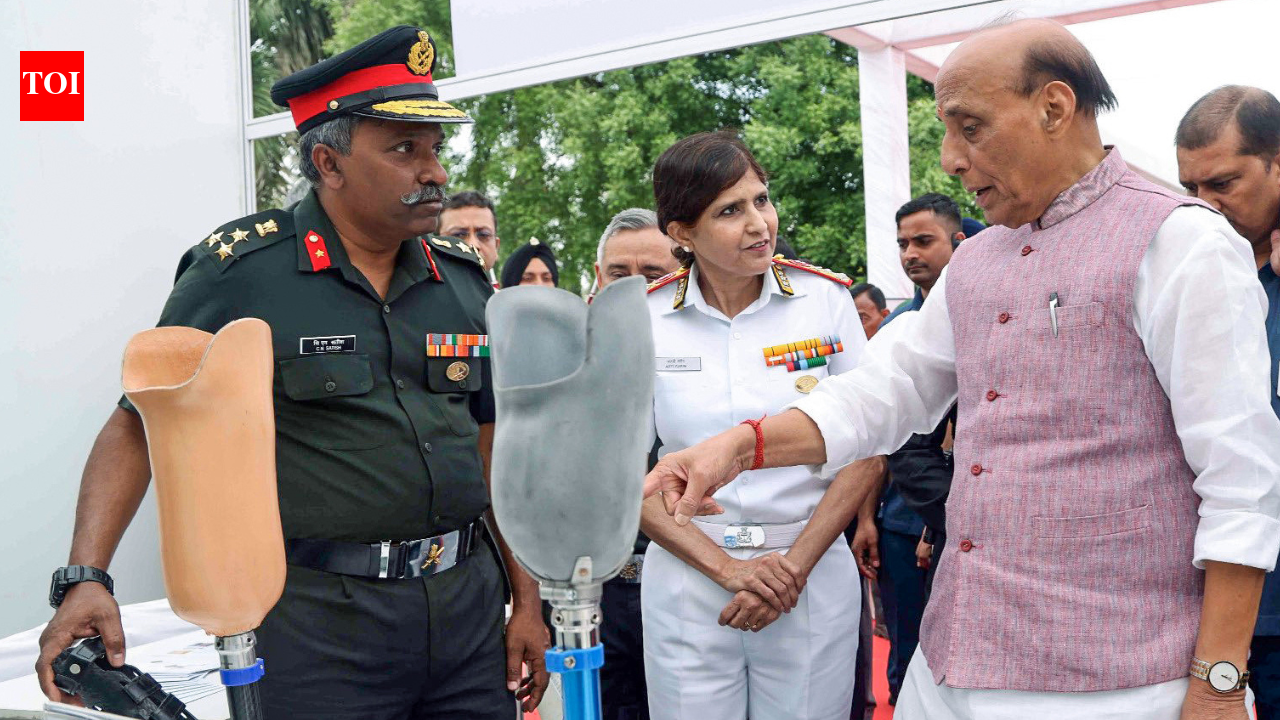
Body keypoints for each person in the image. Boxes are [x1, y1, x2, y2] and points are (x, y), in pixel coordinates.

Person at [645, 19, 1280, 720]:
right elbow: (888, 390)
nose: (950, 159)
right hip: (954, 661)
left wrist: (1218, 684)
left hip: (1119, 680)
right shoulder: (976, 259)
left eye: (969, 128)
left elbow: (1241, 482)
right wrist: (742, 446)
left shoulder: (1182, 243)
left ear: (1054, 107)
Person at [35, 26, 550, 720]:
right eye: (404, 149)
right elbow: (136, 427)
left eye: (435, 149)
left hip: (467, 614)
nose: (433, 172)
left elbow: (494, 451)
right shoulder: (243, 273)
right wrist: (85, 577)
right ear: (329, 163)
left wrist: (526, 600)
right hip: (319, 628)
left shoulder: (460, 282)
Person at [640, 130, 882, 720]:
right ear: (681, 232)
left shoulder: (824, 301)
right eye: (730, 211)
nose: (759, 224)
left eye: (762, 200)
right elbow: (620, 477)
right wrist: (728, 569)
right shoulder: (644, 318)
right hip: (691, 572)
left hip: (809, 568)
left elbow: (868, 447)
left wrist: (790, 570)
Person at [1176, 84, 1280, 718]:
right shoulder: (1183, 276)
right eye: (1189, 188)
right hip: (1216, 599)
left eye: (1223, 184)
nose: (1204, 205)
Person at [850, 193, 967, 706]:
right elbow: (880, 439)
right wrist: (867, 518)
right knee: (906, 653)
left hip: (980, 525)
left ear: (958, 242)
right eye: (903, 244)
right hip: (905, 518)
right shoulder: (899, 328)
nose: (910, 254)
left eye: (923, 240)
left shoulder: (989, 313)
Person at [583, 207, 680, 720]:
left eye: (653, 274)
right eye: (619, 273)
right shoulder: (567, 360)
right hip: (595, 597)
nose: (635, 288)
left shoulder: (718, 360)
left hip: (689, 585)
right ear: (598, 277)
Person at [440, 190, 501, 285]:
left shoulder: (509, 295)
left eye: (484, 235)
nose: (473, 245)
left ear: (496, 247)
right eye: (458, 235)